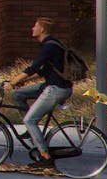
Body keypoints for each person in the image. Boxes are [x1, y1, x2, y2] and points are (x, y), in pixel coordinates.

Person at [9, 17, 74, 169]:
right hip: (51, 85)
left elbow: (33, 67)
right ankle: (31, 132)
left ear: (42, 30)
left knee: (30, 120)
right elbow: (42, 70)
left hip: (56, 89)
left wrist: (13, 82)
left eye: (35, 26)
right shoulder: (51, 44)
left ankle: (45, 158)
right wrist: (21, 82)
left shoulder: (49, 46)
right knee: (18, 95)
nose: (32, 29)